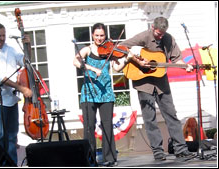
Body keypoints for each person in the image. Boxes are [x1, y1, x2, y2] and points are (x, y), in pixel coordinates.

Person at [119, 16, 195, 161]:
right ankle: (158, 151)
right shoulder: (143, 36)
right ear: (153, 27)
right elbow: (121, 47)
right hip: (143, 82)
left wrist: (186, 65)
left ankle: (181, 149)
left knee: (171, 114)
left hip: (161, 81)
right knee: (150, 118)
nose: (161, 36)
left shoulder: (168, 39)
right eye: (158, 33)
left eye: (163, 33)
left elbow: (176, 59)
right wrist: (138, 61)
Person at [73, 23, 129, 166]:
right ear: (92, 35)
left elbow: (116, 68)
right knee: (89, 127)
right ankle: (89, 160)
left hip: (105, 92)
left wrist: (127, 59)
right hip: (89, 92)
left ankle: (109, 158)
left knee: (107, 126)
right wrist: (92, 69)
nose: (99, 38)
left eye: (102, 35)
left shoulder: (109, 51)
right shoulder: (87, 49)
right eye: (97, 35)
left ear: (105, 35)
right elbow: (75, 61)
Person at [0, 23, 32, 165]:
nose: (2, 38)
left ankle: (11, 165)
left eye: (3, 35)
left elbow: (26, 62)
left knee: (11, 138)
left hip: (11, 100)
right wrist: (21, 88)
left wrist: (28, 46)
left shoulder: (10, 50)